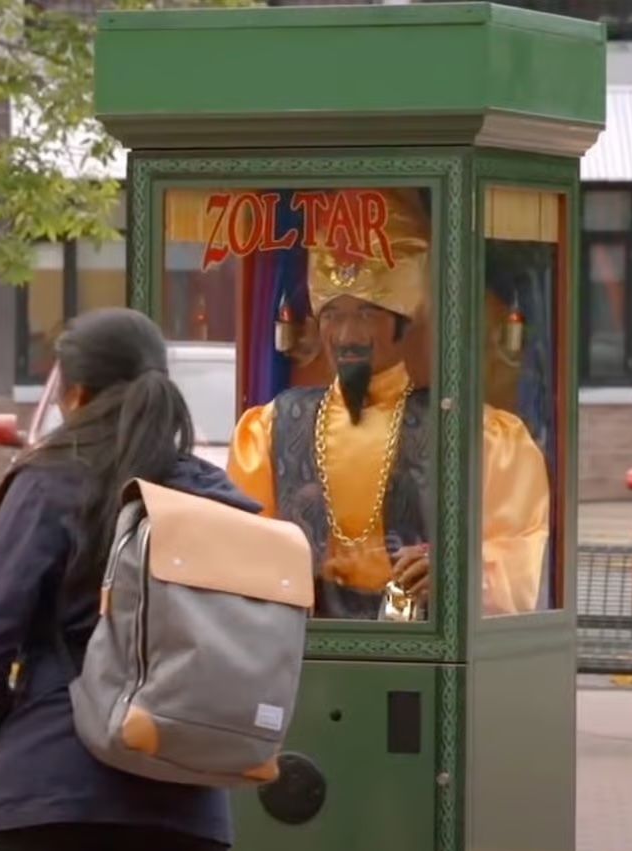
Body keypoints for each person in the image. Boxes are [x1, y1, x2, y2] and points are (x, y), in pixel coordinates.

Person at [0, 308, 255, 851]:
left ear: (77, 396)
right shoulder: (218, 499)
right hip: (182, 779)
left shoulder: (47, 483)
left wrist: (3, 723)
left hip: (53, 778)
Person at [227, 190, 551, 619]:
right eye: (332, 315)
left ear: (403, 321)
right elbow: (239, 555)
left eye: (366, 314)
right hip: (302, 656)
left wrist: (456, 572)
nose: (346, 337)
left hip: (421, 655)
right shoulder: (270, 429)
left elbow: (519, 553)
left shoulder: (483, 437)